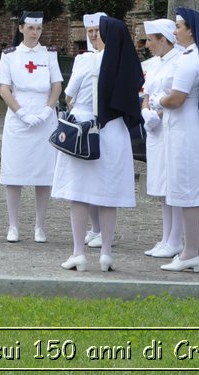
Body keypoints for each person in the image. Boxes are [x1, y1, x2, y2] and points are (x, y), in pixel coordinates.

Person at [53, 15, 141, 272]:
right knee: (108, 196)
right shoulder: (127, 63)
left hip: (85, 131)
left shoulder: (85, 60)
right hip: (113, 132)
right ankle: (106, 254)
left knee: (79, 196)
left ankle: (78, 252)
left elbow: (69, 95)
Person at [149, 7, 199, 273]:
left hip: (187, 131)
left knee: (189, 192)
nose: (175, 30)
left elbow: (176, 98)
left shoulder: (188, 59)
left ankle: (190, 251)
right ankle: (197, 250)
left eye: (179, 26)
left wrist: (158, 99)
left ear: (191, 29)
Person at [0, 11, 63, 244]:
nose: (35, 33)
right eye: (31, 28)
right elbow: (4, 88)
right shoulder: (10, 56)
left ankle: (39, 225)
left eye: (39, 29)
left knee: (43, 173)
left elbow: (56, 84)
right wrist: (20, 112)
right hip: (18, 116)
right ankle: (13, 225)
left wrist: (47, 109)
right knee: (14, 172)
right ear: (21, 29)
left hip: (44, 116)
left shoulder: (49, 54)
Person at [139, 18, 183, 258]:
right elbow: (147, 92)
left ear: (164, 40)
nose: (147, 44)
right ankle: (166, 236)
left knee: (172, 184)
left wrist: (159, 112)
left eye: (151, 40)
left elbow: (177, 95)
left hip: (171, 126)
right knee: (160, 185)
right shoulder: (155, 63)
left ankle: (176, 238)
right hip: (154, 129)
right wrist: (146, 112)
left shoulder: (179, 62)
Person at [64, 14, 104, 248]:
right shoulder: (83, 59)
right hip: (83, 118)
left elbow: (70, 93)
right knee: (84, 178)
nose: (92, 35)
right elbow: (70, 95)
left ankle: (100, 228)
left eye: (97, 30)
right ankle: (94, 227)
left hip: (97, 120)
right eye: (89, 31)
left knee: (95, 177)